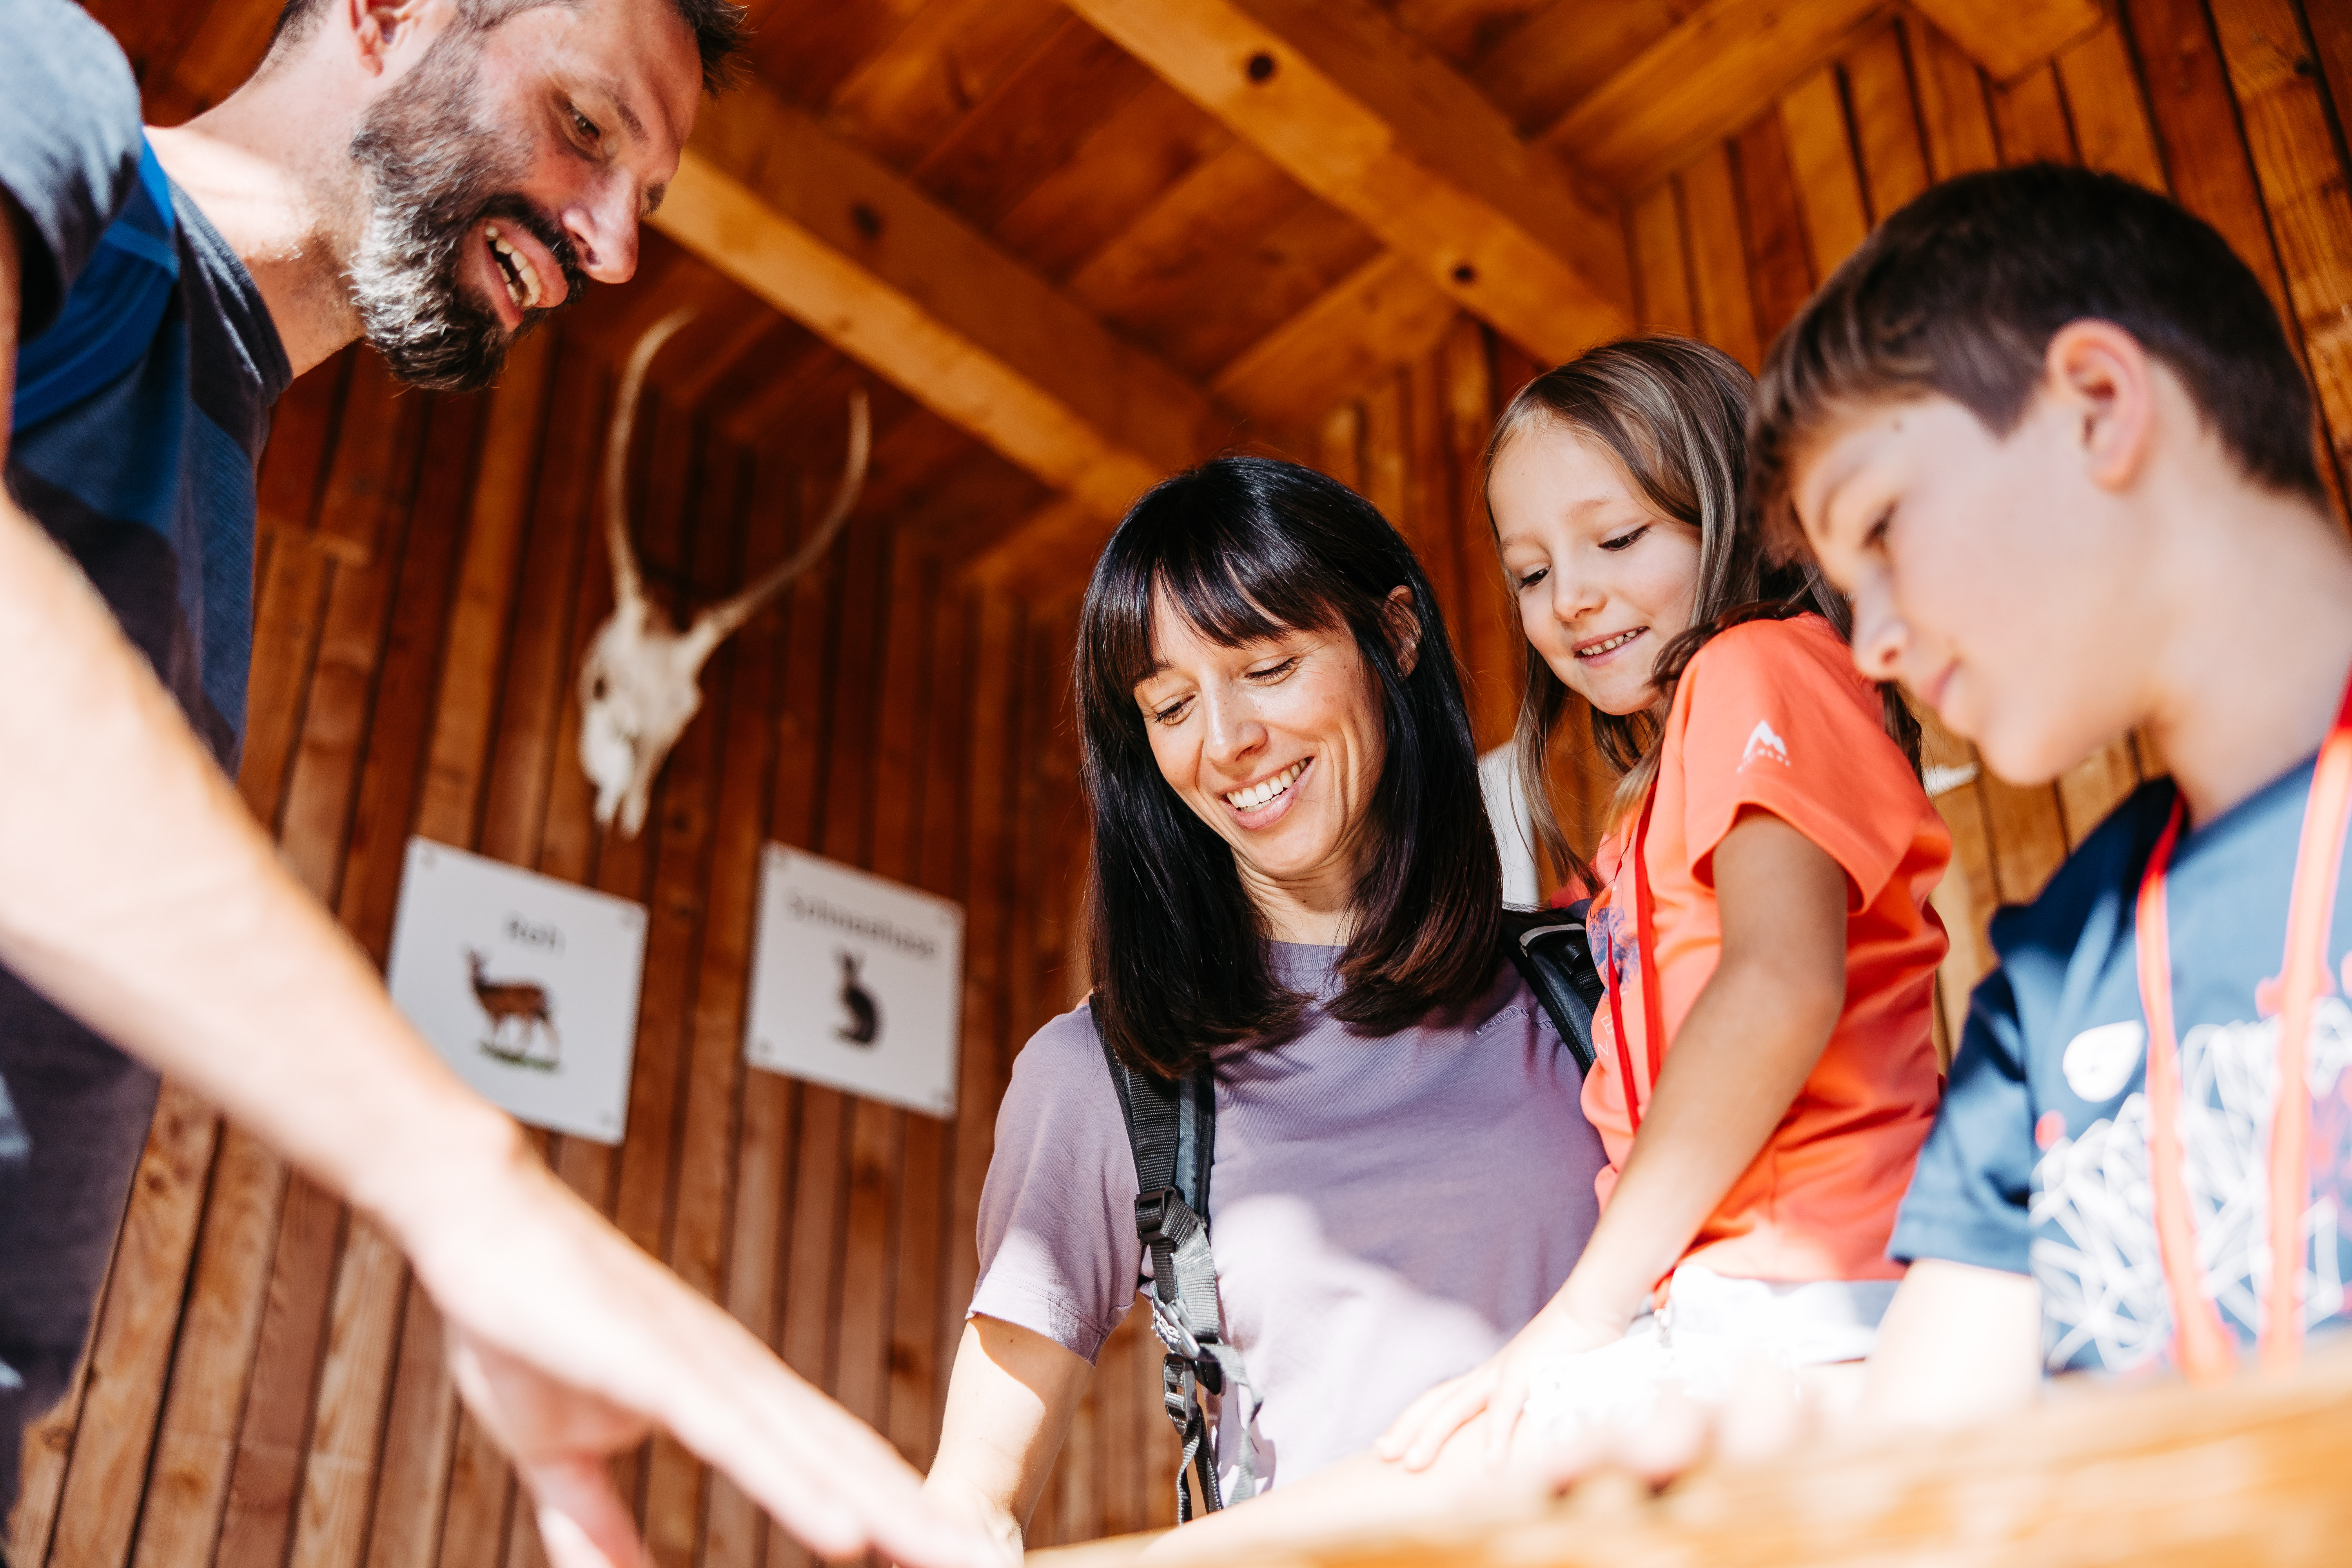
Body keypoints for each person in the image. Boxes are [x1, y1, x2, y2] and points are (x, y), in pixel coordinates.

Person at [0, 3, 1002, 1565]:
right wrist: (477, 1196)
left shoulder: (212, 464)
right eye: (589, 129)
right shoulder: (35, 80)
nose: (611, 250)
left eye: (644, 205)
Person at [1142, 341, 1955, 1564]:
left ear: (1751, 514)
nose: (1572, 596)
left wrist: (1582, 1311)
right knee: (1425, 1475)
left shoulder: (1757, 669)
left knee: (1401, 1494)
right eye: (1531, 571)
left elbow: (1781, 984)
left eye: (1619, 542)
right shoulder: (1653, 791)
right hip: (1731, 1306)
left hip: (1804, 1297)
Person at [1746, 163, 2352, 1428]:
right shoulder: (2055, 968)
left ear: (2096, 405)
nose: (1870, 646)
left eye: (1885, 527)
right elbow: (1917, 1474)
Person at [920, 456, 1609, 1555]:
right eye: (1172, 704)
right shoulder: (1105, 1076)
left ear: (1394, 636)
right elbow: (966, 1506)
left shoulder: (1594, 984)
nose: (1226, 741)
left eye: (1269, 666)